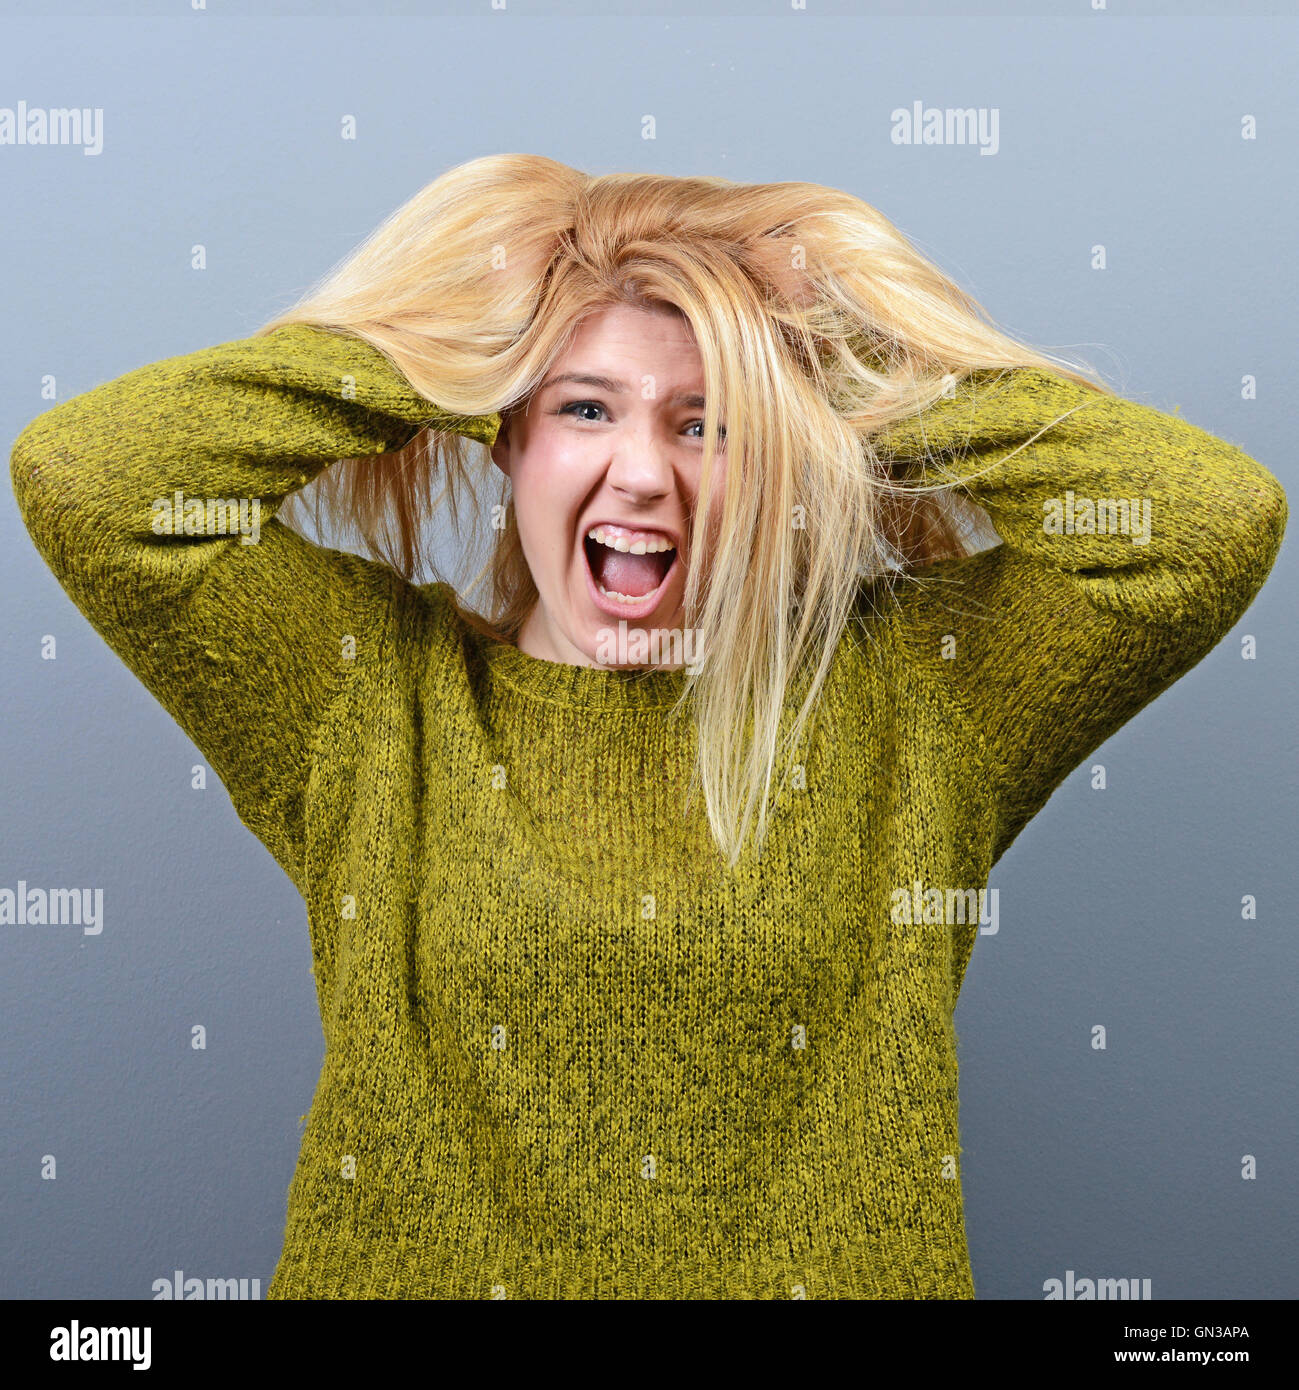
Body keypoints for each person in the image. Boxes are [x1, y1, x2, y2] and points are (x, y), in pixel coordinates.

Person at [9, 154, 1286, 1299]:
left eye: (706, 423)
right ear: (503, 434)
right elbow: (91, 478)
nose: (641, 472)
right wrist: (451, 339)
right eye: (583, 408)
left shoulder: (918, 696)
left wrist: (846, 350)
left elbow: (1206, 521)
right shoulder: (365, 692)